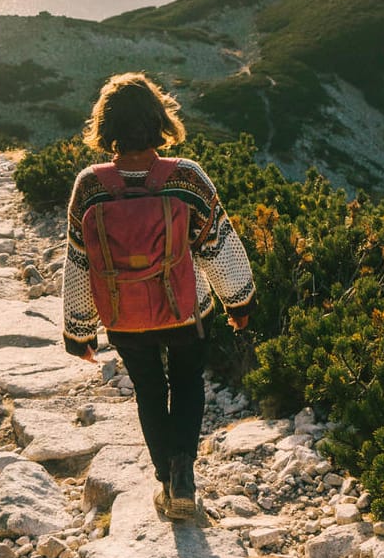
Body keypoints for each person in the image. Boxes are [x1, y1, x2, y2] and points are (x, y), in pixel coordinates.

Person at [61, 72, 257, 520]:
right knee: (187, 384)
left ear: (106, 127)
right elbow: (217, 244)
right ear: (158, 121)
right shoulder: (186, 177)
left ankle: (166, 484)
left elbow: (78, 260)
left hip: (123, 317)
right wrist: (239, 302)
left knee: (149, 392)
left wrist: (79, 330)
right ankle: (184, 473)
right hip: (184, 310)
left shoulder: (89, 185)